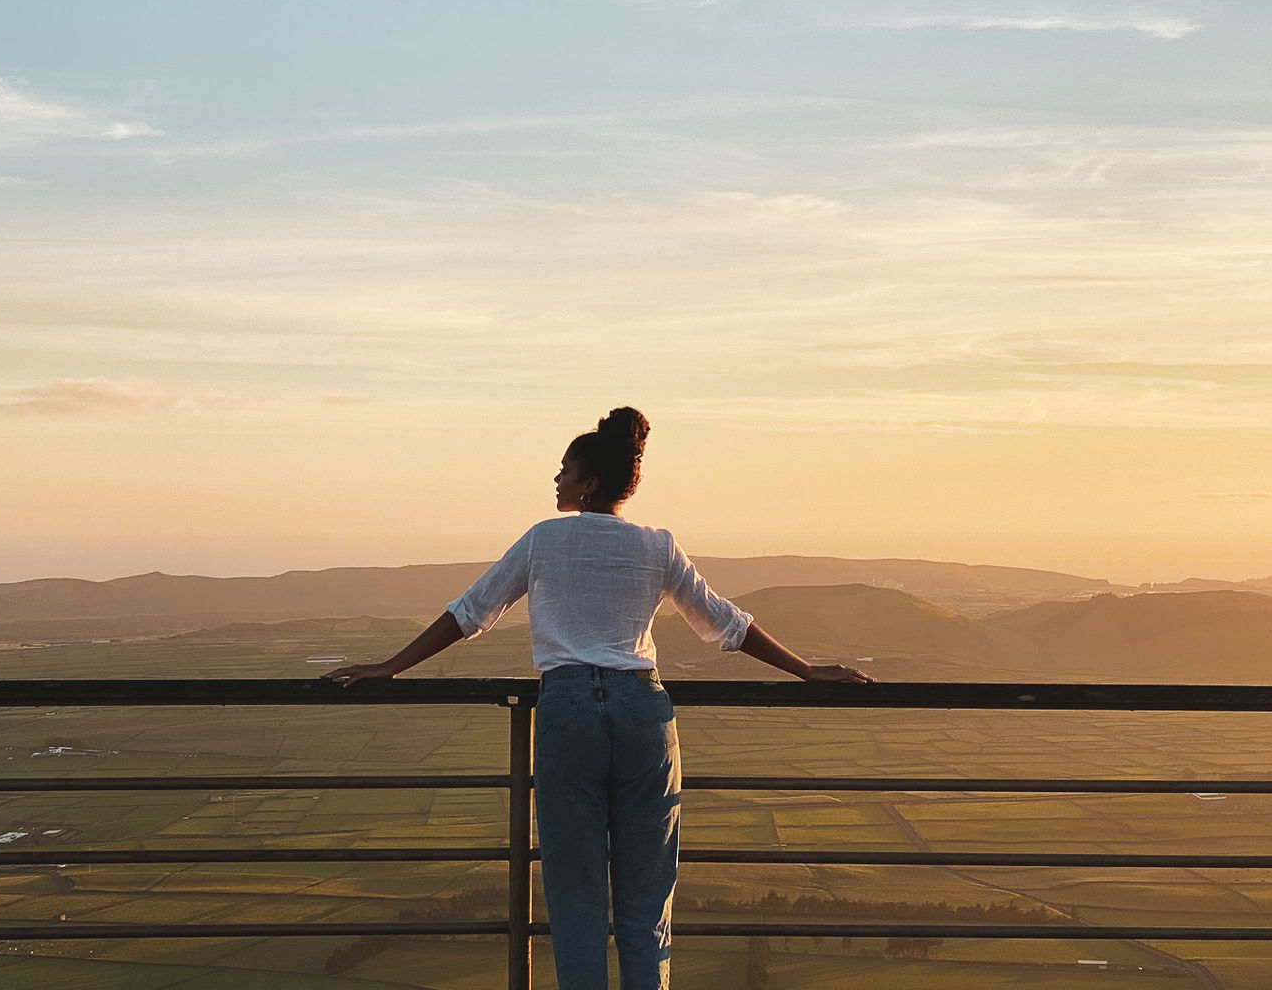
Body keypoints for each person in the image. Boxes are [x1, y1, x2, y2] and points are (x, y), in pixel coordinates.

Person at [325, 406, 873, 990]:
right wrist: (805, 670)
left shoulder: (543, 539)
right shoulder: (658, 545)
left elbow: (469, 613)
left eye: (564, 470)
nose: (556, 478)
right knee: (647, 894)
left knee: (576, 894)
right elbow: (726, 624)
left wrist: (391, 666)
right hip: (643, 714)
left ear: (588, 482)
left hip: (568, 714)